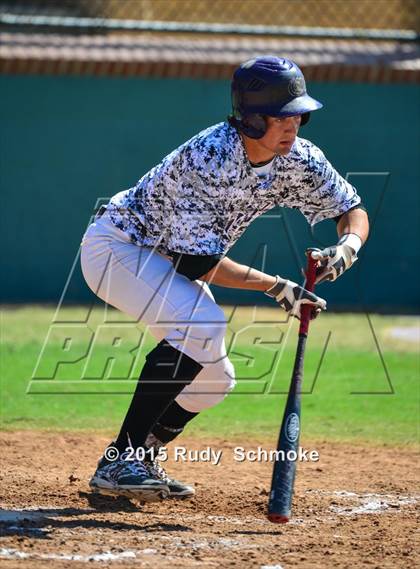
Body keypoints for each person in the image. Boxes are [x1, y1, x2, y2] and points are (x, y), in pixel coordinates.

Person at [80, 55, 369, 502]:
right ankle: (121, 461)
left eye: (299, 114)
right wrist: (276, 286)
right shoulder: (211, 156)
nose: (294, 124)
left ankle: (146, 455)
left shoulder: (299, 159)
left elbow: (351, 209)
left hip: (162, 258)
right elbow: (197, 265)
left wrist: (347, 248)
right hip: (119, 248)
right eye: (283, 115)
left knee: (216, 380)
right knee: (201, 324)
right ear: (253, 119)